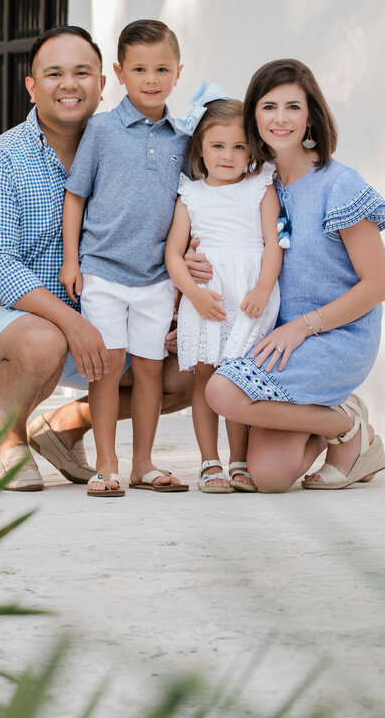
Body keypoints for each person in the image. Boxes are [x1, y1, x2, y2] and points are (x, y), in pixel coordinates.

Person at [0, 25, 192, 492]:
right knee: (45, 340)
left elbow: (172, 224)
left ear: (104, 82)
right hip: (7, 321)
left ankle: (64, 426)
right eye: (54, 74)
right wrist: (72, 322)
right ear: (31, 87)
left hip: (110, 316)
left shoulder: (125, 142)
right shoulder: (1, 159)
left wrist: (185, 290)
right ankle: (12, 442)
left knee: (192, 367)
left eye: (82, 72)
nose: (69, 84)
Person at [205, 59, 385, 493]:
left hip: (334, 336)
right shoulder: (250, 184)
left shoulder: (339, 184)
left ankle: (345, 428)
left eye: (293, 106)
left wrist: (302, 328)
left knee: (223, 393)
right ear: (253, 114)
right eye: (269, 106)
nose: (280, 119)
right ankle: (338, 421)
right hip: (272, 335)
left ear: (311, 115)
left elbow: (378, 285)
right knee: (269, 477)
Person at [60, 19, 189, 497]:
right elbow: (76, 196)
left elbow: (191, 205)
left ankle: (144, 463)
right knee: (109, 365)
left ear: (178, 72)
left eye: (161, 68)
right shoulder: (101, 129)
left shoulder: (185, 137)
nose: (151, 79)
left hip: (157, 276)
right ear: (119, 73)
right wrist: (72, 261)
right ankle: (106, 464)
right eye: (139, 69)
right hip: (103, 270)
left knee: (151, 367)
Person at [164, 91, 282, 494]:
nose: (228, 155)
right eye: (217, 146)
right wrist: (192, 297)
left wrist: (264, 287)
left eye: (238, 147)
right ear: (200, 147)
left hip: (249, 293)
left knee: (237, 378)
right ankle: (209, 462)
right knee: (205, 377)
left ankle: (239, 461)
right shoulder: (191, 194)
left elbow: (272, 244)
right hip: (207, 296)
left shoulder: (260, 188)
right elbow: (173, 255)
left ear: (250, 150)